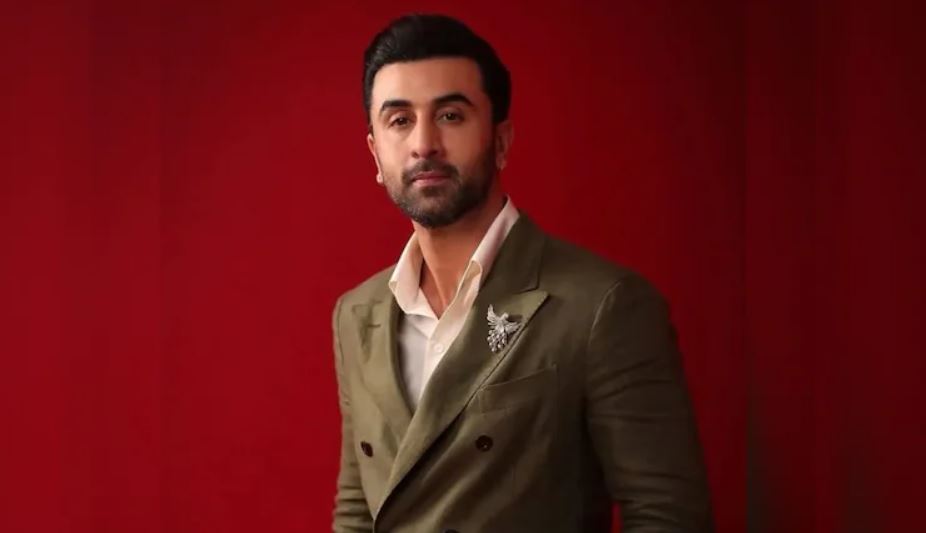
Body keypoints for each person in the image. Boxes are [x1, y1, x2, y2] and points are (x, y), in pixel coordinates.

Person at [331, 13, 713, 533]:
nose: (424, 143)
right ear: (375, 153)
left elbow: (667, 515)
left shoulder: (603, 305)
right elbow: (358, 511)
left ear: (502, 140)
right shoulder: (357, 315)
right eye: (399, 120)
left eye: (450, 115)